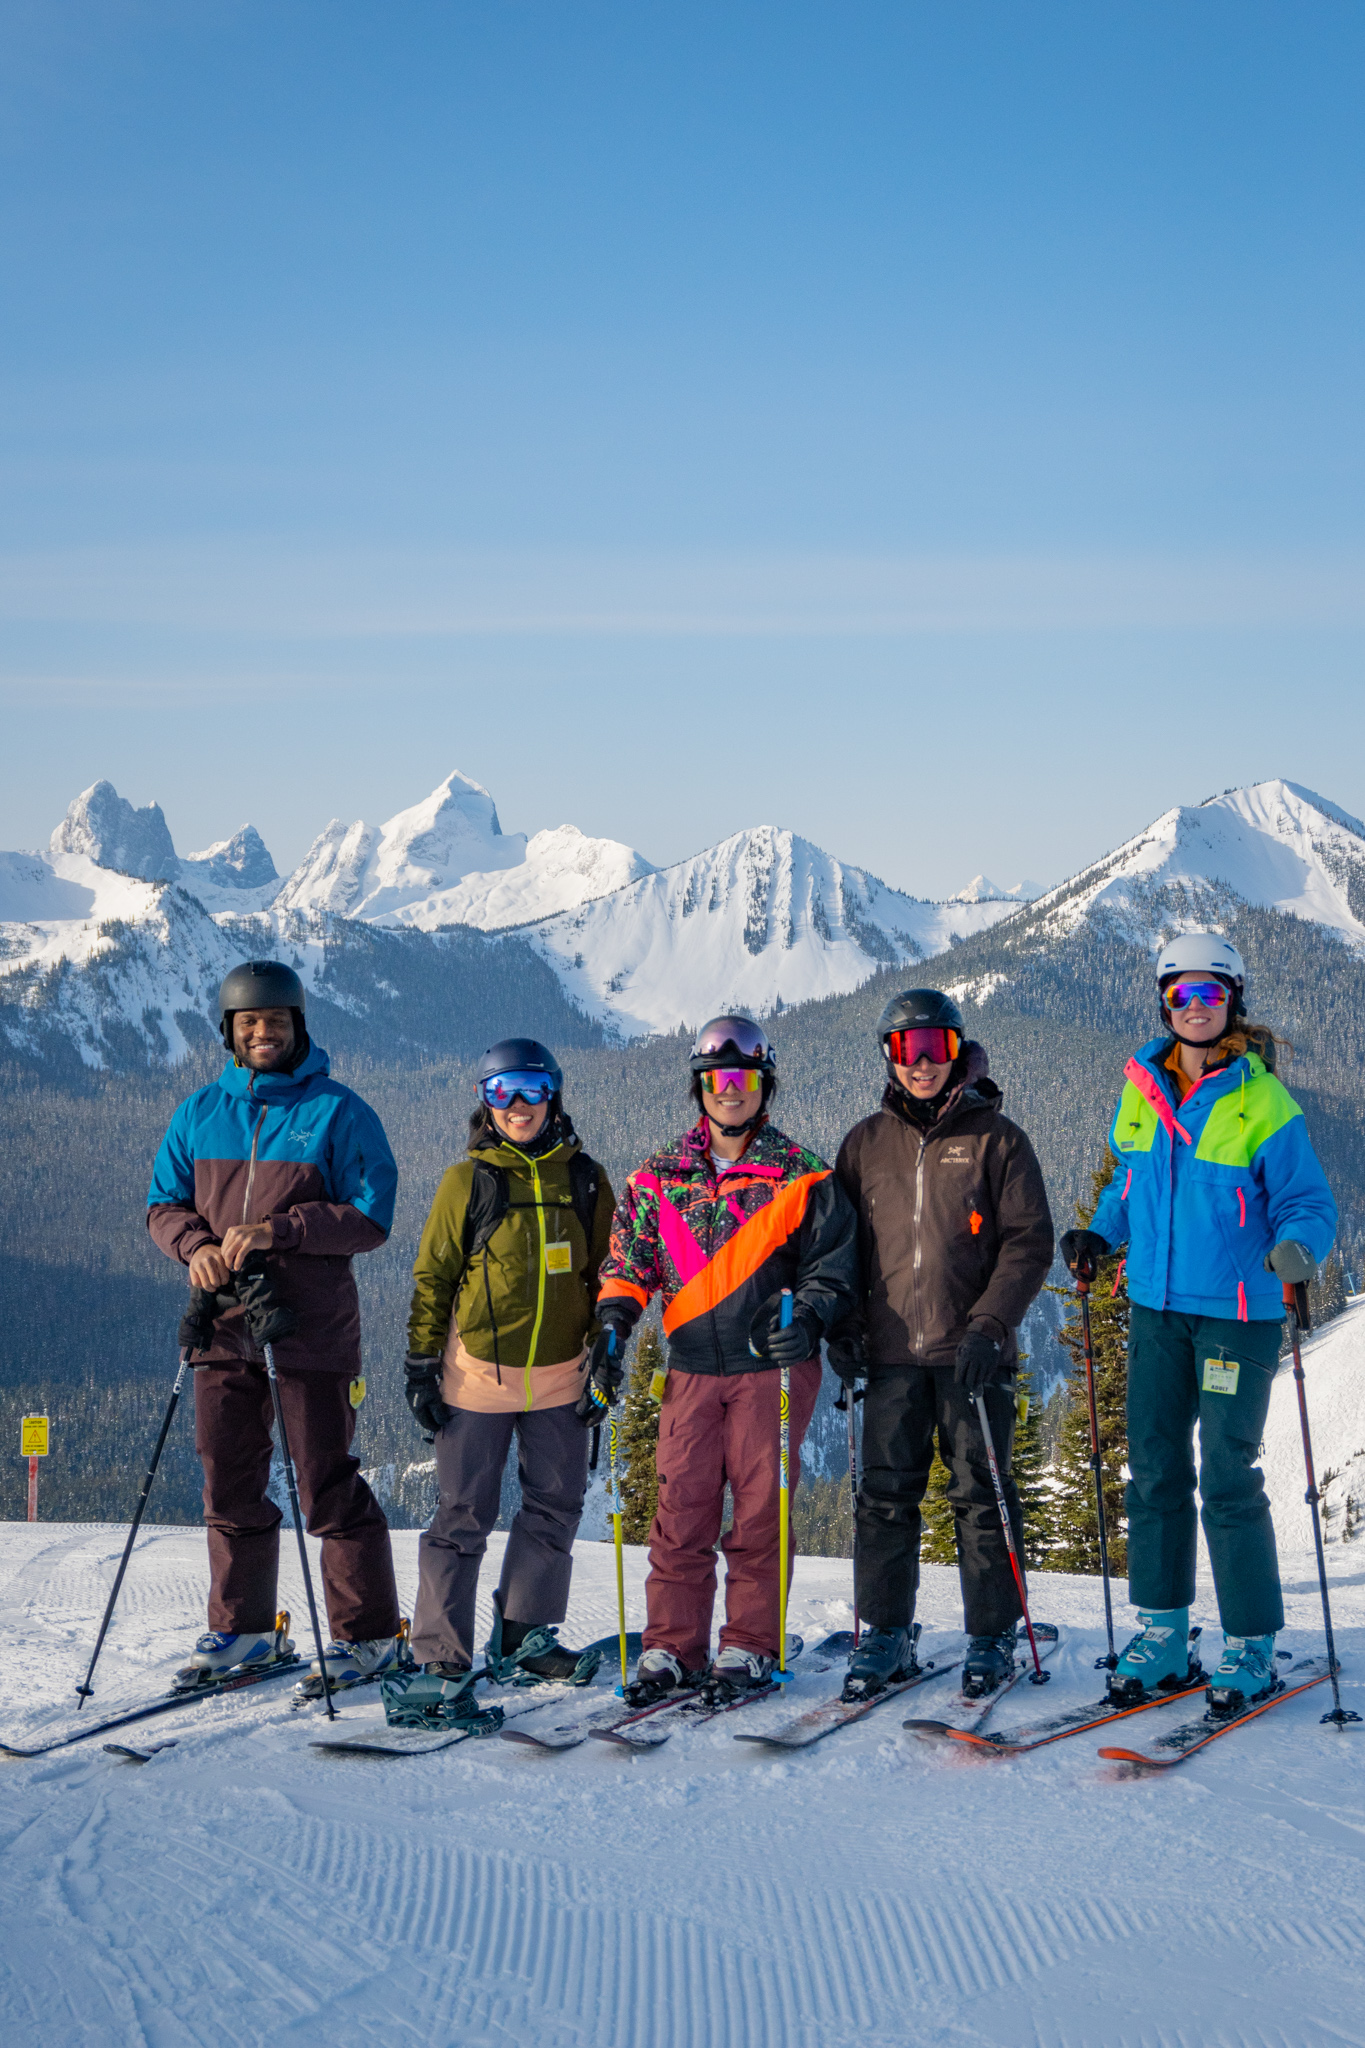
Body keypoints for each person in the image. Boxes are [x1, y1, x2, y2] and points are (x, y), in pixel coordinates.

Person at [1061, 934, 1337, 1713]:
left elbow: (1309, 1203)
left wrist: (1295, 1250)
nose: (1194, 1008)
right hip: (1154, 1307)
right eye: (1180, 995)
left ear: (1232, 1003)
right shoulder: (1140, 1088)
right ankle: (1162, 1630)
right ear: (1163, 1003)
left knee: (1225, 1475)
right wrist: (1100, 1232)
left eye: (1209, 995)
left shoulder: (1261, 1100)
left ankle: (1249, 1644)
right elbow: (1129, 1179)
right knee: (1151, 1469)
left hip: (1236, 1315)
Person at [147, 960, 401, 1691]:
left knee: (325, 1481)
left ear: (298, 1027)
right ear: (229, 1032)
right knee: (228, 1481)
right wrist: (194, 1247)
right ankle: (244, 1631)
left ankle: (367, 1639)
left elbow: (370, 1215)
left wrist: (278, 1231)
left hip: (310, 1328)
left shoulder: (338, 1111)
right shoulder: (199, 1112)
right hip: (223, 1325)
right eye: (249, 1023)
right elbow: (163, 1202)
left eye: (276, 1022)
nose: (263, 1033)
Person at [594, 1016, 858, 1705]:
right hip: (688, 1365)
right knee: (679, 1507)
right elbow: (629, 1263)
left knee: (758, 1512)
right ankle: (671, 1647)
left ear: (762, 1086)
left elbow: (831, 1270)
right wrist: (615, 1322)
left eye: (742, 1078)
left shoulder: (801, 1175)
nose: (729, 1092)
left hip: (767, 1367)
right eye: (717, 1080)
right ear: (698, 1088)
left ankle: (746, 1645)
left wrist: (808, 1321)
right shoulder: (656, 1177)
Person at [831, 990, 1054, 1699]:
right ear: (888, 1058)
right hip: (891, 1354)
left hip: (972, 1356)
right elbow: (840, 1248)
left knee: (980, 1497)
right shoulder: (865, 1143)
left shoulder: (997, 1138)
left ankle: (990, 1634)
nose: (920, 1062)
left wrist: (991, 1324)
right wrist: (844, 1327)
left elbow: (1028, 1242)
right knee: (883, 1500)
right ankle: (886, 1634)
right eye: (905, 1049)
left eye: (933, 1047)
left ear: (956, 1049)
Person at [402, 1039, 615, 1702]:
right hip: (476, 1374)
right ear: (484, 1102)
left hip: (561, 1373)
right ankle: (441, 1654)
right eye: (500, 1092)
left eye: (529, 1089)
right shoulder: (467, 1182)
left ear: (552, 1094)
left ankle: (525, 1636)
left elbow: (610, 1274)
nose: (517, 1105)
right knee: (463, 1513)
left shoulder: (584, 1179)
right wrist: (419, 1362)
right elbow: (434, 1275)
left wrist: (607, 1350)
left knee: (556, 1505)